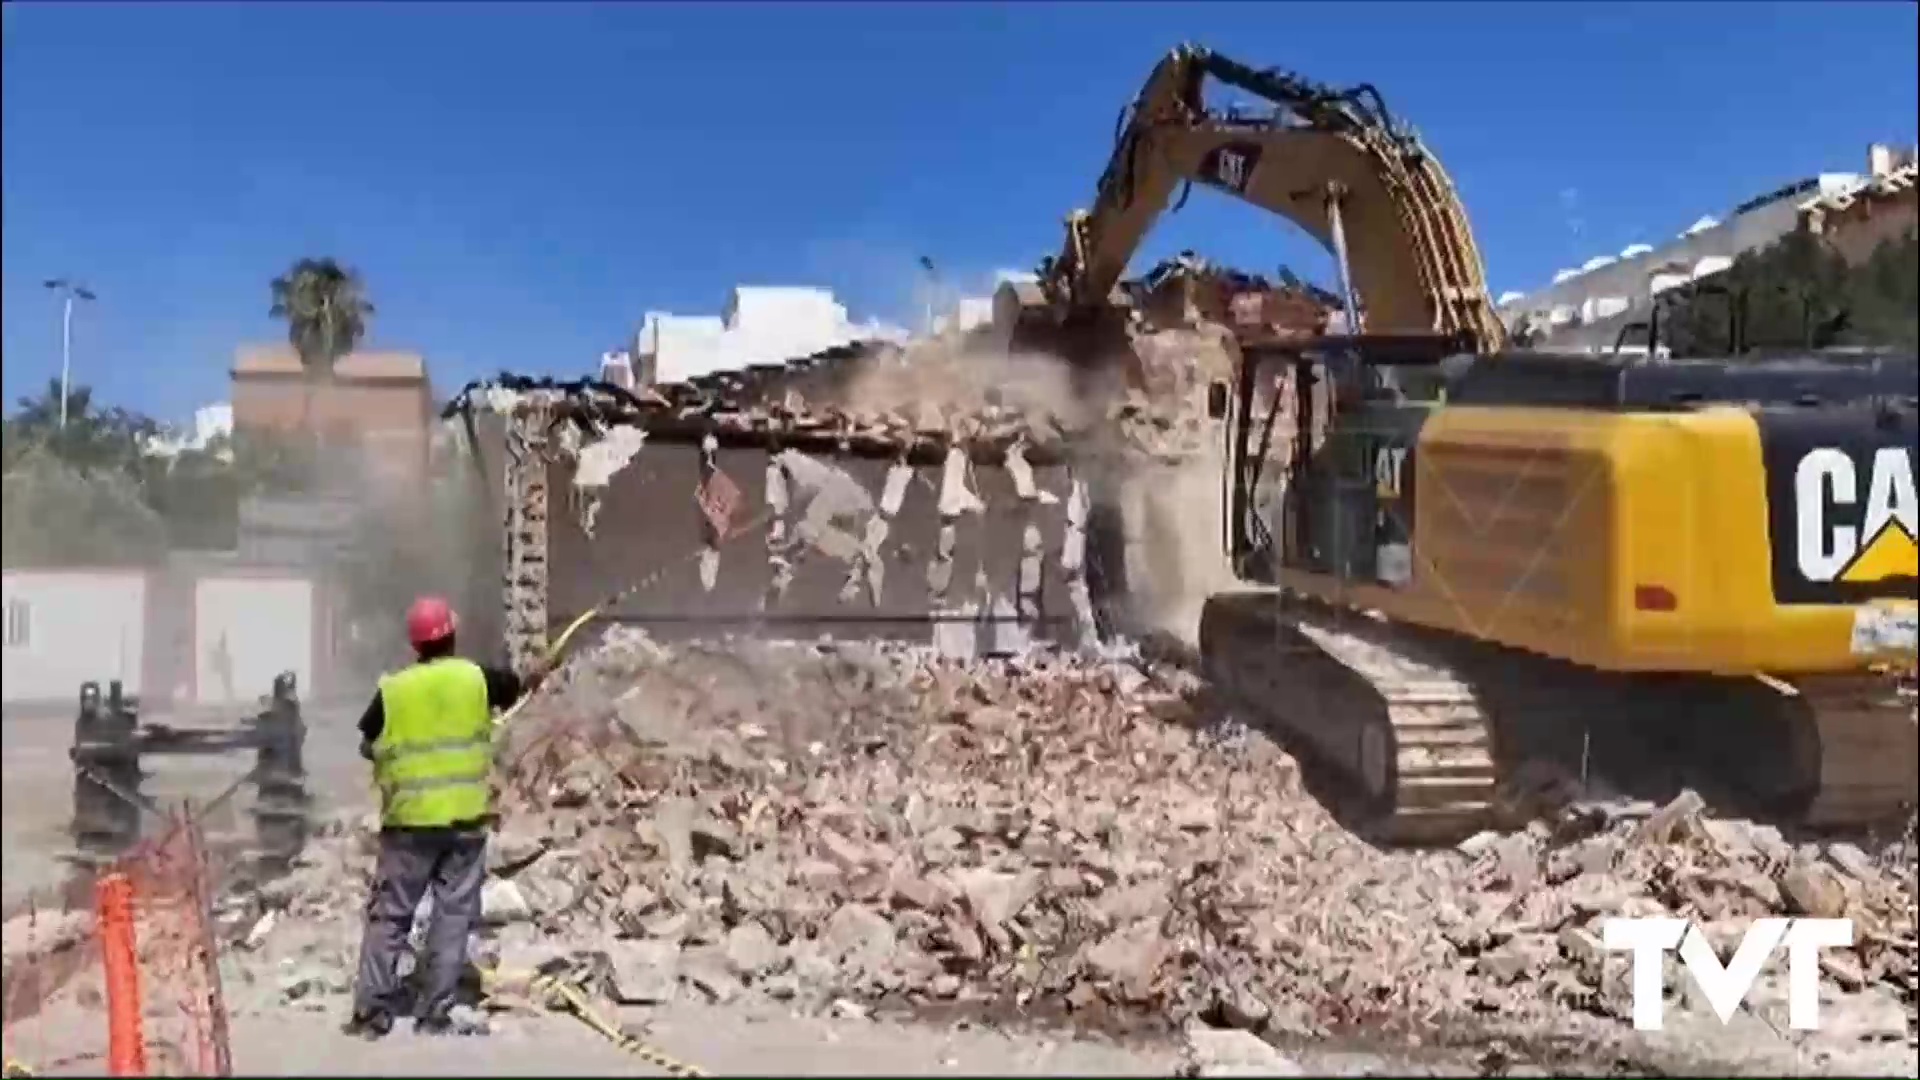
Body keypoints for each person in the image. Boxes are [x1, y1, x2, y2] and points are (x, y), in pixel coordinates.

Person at [344, 595, 551, 1039]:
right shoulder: (477, 679)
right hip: (464, 823)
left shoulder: (394, 690)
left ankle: (371, 1011)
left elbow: (367, 741)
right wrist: (537, 672)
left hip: (408, 825)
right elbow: (518, 687)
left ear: (415, 645)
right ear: (453, 636)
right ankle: (434, 1011)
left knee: (390, 915)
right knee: (452, 915)